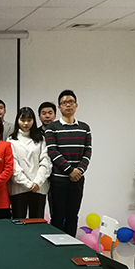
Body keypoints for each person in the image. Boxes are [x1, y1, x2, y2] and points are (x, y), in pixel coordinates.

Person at [45, 90, 92, 236]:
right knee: (57, 217)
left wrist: (79, 170)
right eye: (64, 103)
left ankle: (71, 245)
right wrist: (70, 170)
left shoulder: (84, 128)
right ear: (59, 107)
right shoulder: (52, 127)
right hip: (58, 180)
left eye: (71, 102)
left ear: (76, 105)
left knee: (73, 216)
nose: (68, 105)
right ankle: (56, 246)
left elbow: (88, 151)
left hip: (77, 180)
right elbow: (52, 151)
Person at [8, 107, 52, 219]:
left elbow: (46, 161)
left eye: (29, 120)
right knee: (19, 221)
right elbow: (13, 165)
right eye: (23, 120)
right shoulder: (11, 140)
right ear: (17, 120)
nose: (26, 123)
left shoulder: (41, 139)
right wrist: (27, 184)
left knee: (37, 222)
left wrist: (37, 182)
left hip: (39, 188)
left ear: (34, 121)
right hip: (18, 188)